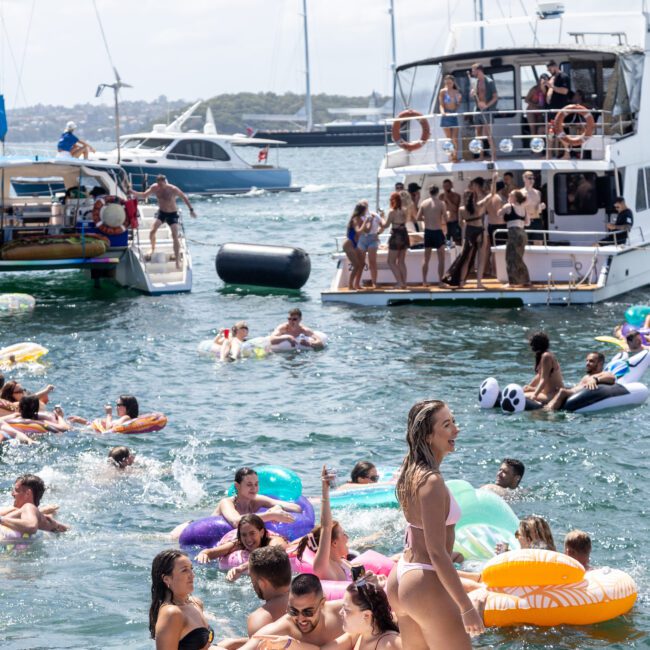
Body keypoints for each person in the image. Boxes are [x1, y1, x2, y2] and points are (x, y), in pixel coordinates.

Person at [386, 400, 484, 649]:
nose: (456, 430)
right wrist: (466, 607)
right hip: (423, 581)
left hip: (402, 578)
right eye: (447, 425)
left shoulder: (410, 471)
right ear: (429, 436)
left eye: (454, 422)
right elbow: (437, 552)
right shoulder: (431, 481)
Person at [240, 574, 344, 649]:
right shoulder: (285, 628)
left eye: (307, 612)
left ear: (322, 604)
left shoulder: (343, 614)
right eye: (293, 611)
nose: (300, 619)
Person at [294, 466, 352, 582]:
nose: (347, 537)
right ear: (334, 543)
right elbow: (326, 527)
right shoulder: (323, 567)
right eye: (343, 534)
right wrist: (325, 491)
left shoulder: (343, 563)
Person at [149, 549, 215, 650]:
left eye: (191, 569)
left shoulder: (195, 603)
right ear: (166, 579)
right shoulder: (172, 613)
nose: (192, 575)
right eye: (184, 570)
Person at [129, 174, 197, 270]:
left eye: (162, 184)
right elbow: (144, 195)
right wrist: (132, 192)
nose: (160, 186)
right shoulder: (155, 188)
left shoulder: (173, 189)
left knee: (174, 236)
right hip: (162, 213)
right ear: (157, 183)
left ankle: (177, 259)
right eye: (159, 184)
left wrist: (191, 210)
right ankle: (152, 249)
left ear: (165, 182)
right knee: (152, 231)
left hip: (172, 214)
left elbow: (184, 197)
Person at [196, 514, 287, 582]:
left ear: (261, 532)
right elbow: (214, 552)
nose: (248, 539)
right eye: (244, 535)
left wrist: (241, 568)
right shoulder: (239, 543)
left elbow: (269, 555)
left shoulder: (274, 541)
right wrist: (204, 553)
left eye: (252, 533)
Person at [442, 183, 486, 288]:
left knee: (466, 257)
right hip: (479, 231)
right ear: (473, 197)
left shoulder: (461, 209)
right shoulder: (478, 206)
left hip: (469, 232)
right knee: (481, 258)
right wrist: (493, 180)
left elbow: (461, 224)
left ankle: (461, 282)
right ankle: (479, 283)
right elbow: (491, 195)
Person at [545, 352, 616, 411]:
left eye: (591, 361)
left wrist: (596, 379)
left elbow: (611, 378)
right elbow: (577, 387)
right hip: (571, 393)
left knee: (562, 392)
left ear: (600, 363)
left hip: (575, 395)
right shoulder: (586, 376)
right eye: (587, 361)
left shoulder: (602, 374)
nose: (587, 363)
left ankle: (547, 412)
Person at [0, 474, 68, 535]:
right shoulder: (17, 510)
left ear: (28, 493)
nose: (12, 494)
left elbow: (31, 526)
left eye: (17, 490)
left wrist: (1, 520)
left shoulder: (29, 507)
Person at [1, 395, 71, 442]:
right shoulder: (42, 423)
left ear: (20, 407)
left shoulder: (12, 418)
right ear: (37, 409)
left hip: (11, 436)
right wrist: (59, 416)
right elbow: (65, 428)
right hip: (34, 436)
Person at [497, 189, 530, 287]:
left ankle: (513, 282)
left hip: (513, 232)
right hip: (522, 233)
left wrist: (504, 206)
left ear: (515, 198)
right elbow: (527, 222)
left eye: (510, 194)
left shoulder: (508, 206)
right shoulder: (524, 208)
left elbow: (498, 213)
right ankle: (526, 280)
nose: (508, 195)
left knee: (510, 258)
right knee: (519, 258)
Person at [477, 172, 507, 276]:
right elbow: (500, 213)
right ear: (502, 188)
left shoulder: (488, 198)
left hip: (490, 225)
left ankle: (492, 271)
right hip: (500, 226)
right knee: (498, 250)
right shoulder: (500, 198)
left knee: (492, 249)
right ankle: (497, 272)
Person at [523, 332, 565, 404]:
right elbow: (539, 375)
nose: (531, 346)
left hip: (553, 394)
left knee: (522, 396)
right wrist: (529, 386)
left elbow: (543, 379)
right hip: (546, 392)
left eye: (532, 344)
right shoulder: (544, 356)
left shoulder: (546, 356)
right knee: (523, 391)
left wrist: (534, 395)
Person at [418, 186, 447, 286]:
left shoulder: (424, 203)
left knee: (426, 258)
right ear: (438, 192)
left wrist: (427, 219)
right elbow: (446, 218)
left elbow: (418, 217)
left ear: (429, 192)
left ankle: (424, 281)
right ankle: (440, 281)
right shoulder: (441, 203)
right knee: (441, 258)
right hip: (438, 231)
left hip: (428, 232)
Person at [379, 192, 409, 289]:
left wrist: (381, 217)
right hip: (404, 235)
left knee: (391, 261)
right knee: (401, 261)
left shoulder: (392, 212)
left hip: (396, 236)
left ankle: (399, 283)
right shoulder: (404, 210)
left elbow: (386, 225)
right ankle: (404, 283)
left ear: (393, 201)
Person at [469, 63, 498, 160]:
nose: (472, 72)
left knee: (488, 133)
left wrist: (486, 105)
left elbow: (495, 97)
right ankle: (481, 156)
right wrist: (472, 93)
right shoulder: (474, 82)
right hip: (477, 110)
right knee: (478, 134)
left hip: (487, 110)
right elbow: (472, 96)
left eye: (473, 70)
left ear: (479, 70)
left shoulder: (489, 82)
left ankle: (494, 155)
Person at [545, 60, 571, 159]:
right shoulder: (552, 78)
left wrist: (551, 86)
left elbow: (565, 91)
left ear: (555, 66)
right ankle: (549, 155)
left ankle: (567, 154)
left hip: (559, 110)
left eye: (550, 69)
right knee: (550, 133)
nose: (549, 71)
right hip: (551, 110)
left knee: (560, 131)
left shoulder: (563, 77)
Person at [68, 394, 140, 429]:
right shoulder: (124, 419)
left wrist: (109, 414)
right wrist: (83, 421)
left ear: (127, 407)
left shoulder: (126, 418)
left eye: (119, 405)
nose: (116, 407)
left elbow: (109, 429)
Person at [357, 202, 383, 289]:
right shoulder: (359, 217)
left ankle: (374, 282)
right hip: (362, 239)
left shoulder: (375, 215)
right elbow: (365, 230)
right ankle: (357, 283)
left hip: (373, 239)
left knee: (372, 261)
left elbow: (383, 225)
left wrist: (378, 233)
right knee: (361, 262)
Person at [439, 75, 463, 162]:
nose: (448, 84)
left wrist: (459, 101)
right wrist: (442, 112)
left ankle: (455, 156)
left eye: (450, 82)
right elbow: (441, 104)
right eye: (447, 83)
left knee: (455, 138)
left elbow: (457, 105)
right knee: (448, 138)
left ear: (453, 82)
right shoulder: (442, 91)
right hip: (446, 115)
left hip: (453, 115)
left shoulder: (456, 92)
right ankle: (451, 156)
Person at [343, 203, 366, 291]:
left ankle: (357, 284)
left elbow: (366, 230)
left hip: (355, 245)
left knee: (362, 264)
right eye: (365, 210)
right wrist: (365, 222)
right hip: (349, 244)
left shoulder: (361, 219)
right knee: (356, 265)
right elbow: (358, 231)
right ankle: (350, 285)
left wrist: (370, 222)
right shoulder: (355, 219)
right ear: (362, 211)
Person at [523, 171, 546, 244]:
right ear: (524, 179)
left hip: (536, 220)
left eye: (533, 178)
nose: (531, 180)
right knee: (524, 244)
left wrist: (541, 207)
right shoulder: (520, 193)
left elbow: (538, 208)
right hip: (525, 221)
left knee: (539, 243)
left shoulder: (538, 192)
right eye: (529, 178)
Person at [440, 179, 462, 246]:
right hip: (445, 223)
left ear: (451, 186)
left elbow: (455, 209)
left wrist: (447, 199)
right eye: (445, 186)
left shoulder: (456, 196)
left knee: (457, 241)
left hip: (454, 222)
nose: (446, 187)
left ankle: (459, 254)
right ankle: (449, 252)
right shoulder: (441, 196)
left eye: (448, 186)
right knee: (447, 241)